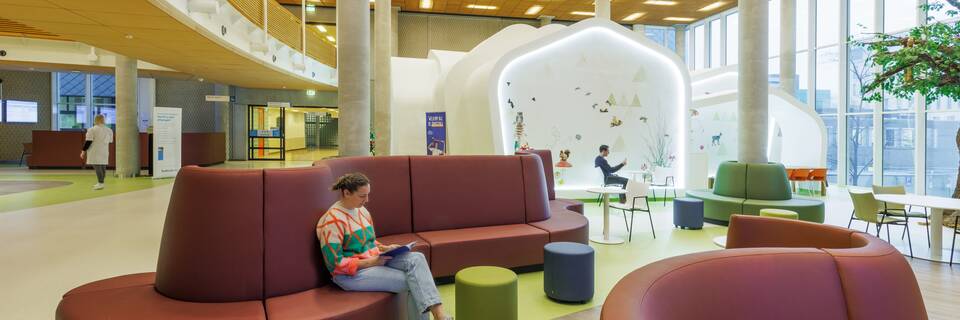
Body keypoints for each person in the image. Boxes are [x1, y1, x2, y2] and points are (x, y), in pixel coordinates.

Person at [317, 173, 451, 320]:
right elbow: (334, 264)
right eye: (362, 196)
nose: (367, 200)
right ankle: (440, 317)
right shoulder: (332, 221)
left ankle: (440, 316)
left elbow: (369, 242)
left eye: (368, 195)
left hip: (374, 260)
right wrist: (370, 262)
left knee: (417, 258)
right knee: (416, 281)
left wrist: (385, 248)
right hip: (350, 275)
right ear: (346, 193)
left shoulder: (362, 211)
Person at [80, 114, 113, 190]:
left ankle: (100, 183)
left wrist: (83, 151)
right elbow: (110, 141)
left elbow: (88, 141)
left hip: (94, 151)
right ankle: (101, 182)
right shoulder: (109, 130)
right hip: (104, 151)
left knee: (97, 166)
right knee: (102, 166)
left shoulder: (92, 129)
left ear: (95, 120)